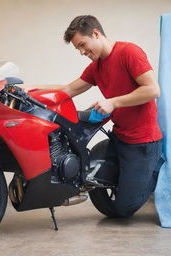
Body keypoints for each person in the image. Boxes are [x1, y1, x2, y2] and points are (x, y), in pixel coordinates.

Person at [30, 15, 163, 217]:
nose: (82, 52)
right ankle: (132, 177)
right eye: (78, 49)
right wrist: (28, 89)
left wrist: (114, 101)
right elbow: (66, 89)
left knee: (125, 208)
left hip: (143, 143)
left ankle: (157, 169)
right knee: (93, 183)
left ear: (95, 33)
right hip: (119, 137)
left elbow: (153, 90)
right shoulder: (96, 67)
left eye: (83, 45)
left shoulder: (129, 52)